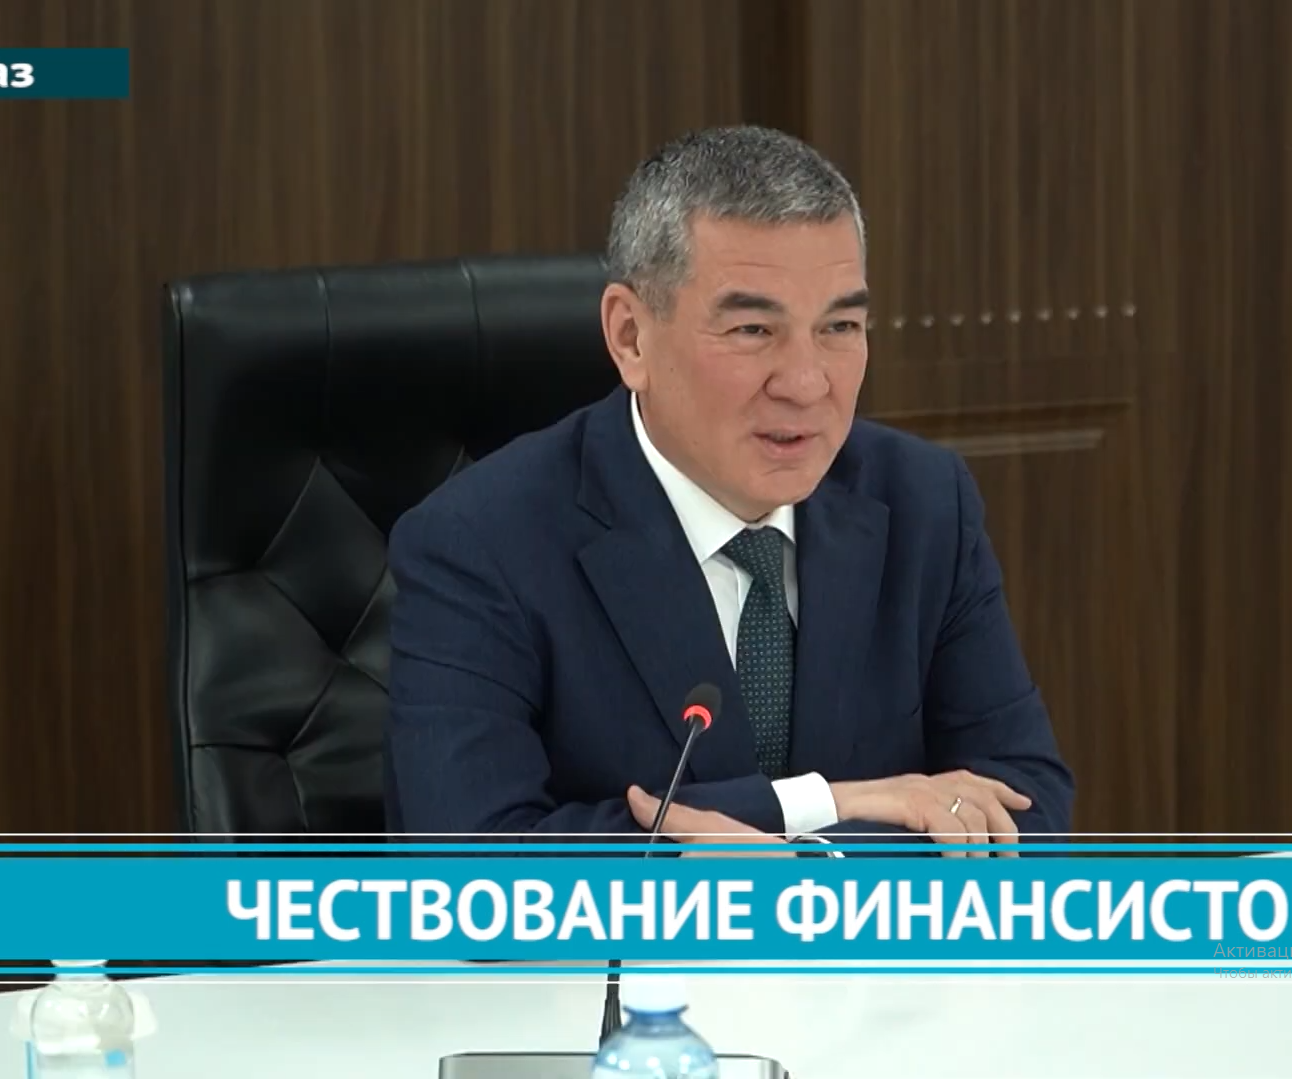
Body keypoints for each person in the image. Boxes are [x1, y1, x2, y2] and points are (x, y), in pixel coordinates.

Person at [383, 125, 1072, 855]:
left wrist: (794, 878)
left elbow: (1024, 806)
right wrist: (824, 802)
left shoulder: (924, 501)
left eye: (840, 325)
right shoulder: (478, 542)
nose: (806, 383)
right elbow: (465, 859)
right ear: (630, 337)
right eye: (752, 330)